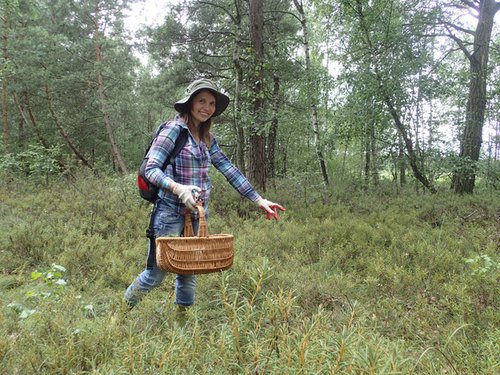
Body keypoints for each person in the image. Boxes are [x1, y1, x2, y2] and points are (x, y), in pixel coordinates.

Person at [125, 78, 285, 309]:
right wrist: (178, 189)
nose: (206, 107)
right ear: (189, 103)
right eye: (201, 101)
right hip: (169, 212)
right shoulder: (173, 130)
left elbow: (229, 169)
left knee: (189, 272)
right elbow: (151, 169)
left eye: (211, 103)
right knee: (155, 274)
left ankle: (183, 326)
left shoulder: (207, 138)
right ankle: (119, 314)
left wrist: (258, 199)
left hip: (198, 215)